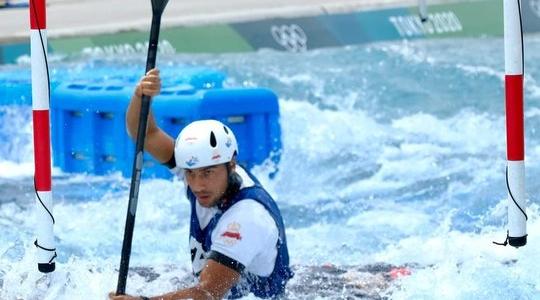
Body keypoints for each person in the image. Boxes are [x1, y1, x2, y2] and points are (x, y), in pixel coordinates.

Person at [109, 69, 293, 300]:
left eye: (207, 173)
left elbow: (206, 294)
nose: (198, 185)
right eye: (191, 174)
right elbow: (145, 134)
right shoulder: (205, 170)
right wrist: (140, 95)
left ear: (232, 165)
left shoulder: (246, 218)